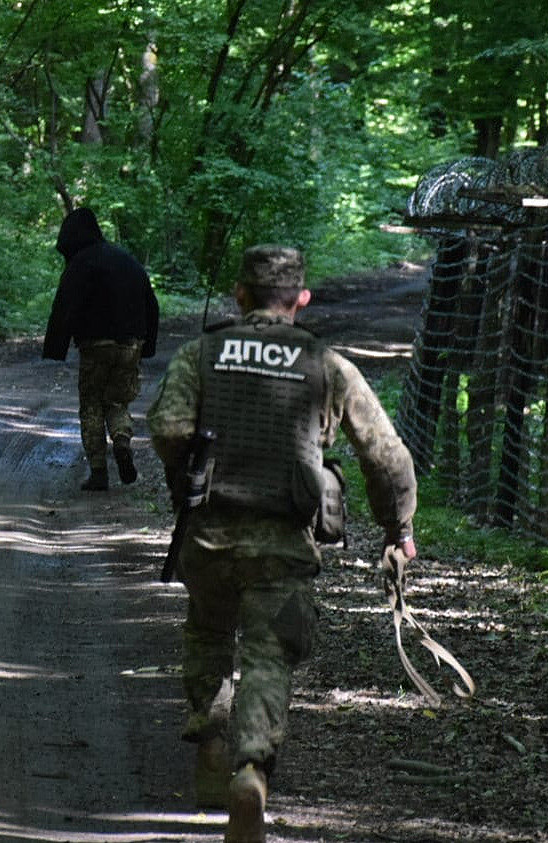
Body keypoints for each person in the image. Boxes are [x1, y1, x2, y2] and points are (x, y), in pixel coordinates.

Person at [146, 245, 416, 843]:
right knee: (269, 654)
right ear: (301, 299)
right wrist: (399, 530)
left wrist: (189, 475)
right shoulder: (326, 364)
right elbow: (386, 456)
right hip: (284, 539)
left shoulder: (204, 353)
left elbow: (166, 428)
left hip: (210, 532)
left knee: (209, 630)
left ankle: (212, 740)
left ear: (239, 296)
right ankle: (251, 768)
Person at [43, 206, 160, 491]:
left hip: (95, 346)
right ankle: (121, 440)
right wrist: (147, 347)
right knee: (117, 402)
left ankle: (98, 472)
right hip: (130, 344)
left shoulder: (81, 264)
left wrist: (55, 346)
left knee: (92, 405)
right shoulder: (127, 261)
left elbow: (65, 306)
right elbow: (151, 304)